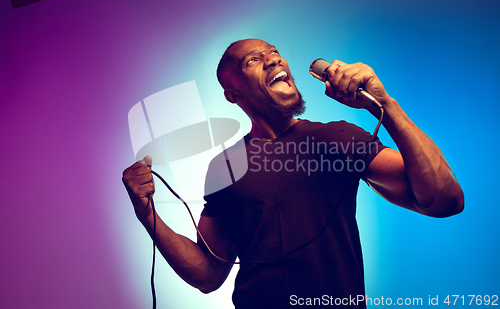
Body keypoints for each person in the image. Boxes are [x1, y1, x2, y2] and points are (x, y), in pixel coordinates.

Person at [122, 39, 464, 308]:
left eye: (274, 52)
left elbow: (443, 199)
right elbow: (208, 273)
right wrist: (146, 213)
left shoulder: (338, 137)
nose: (274, 59)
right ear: (232, 93)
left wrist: (384, 104)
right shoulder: (224, 167)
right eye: (253, 60)